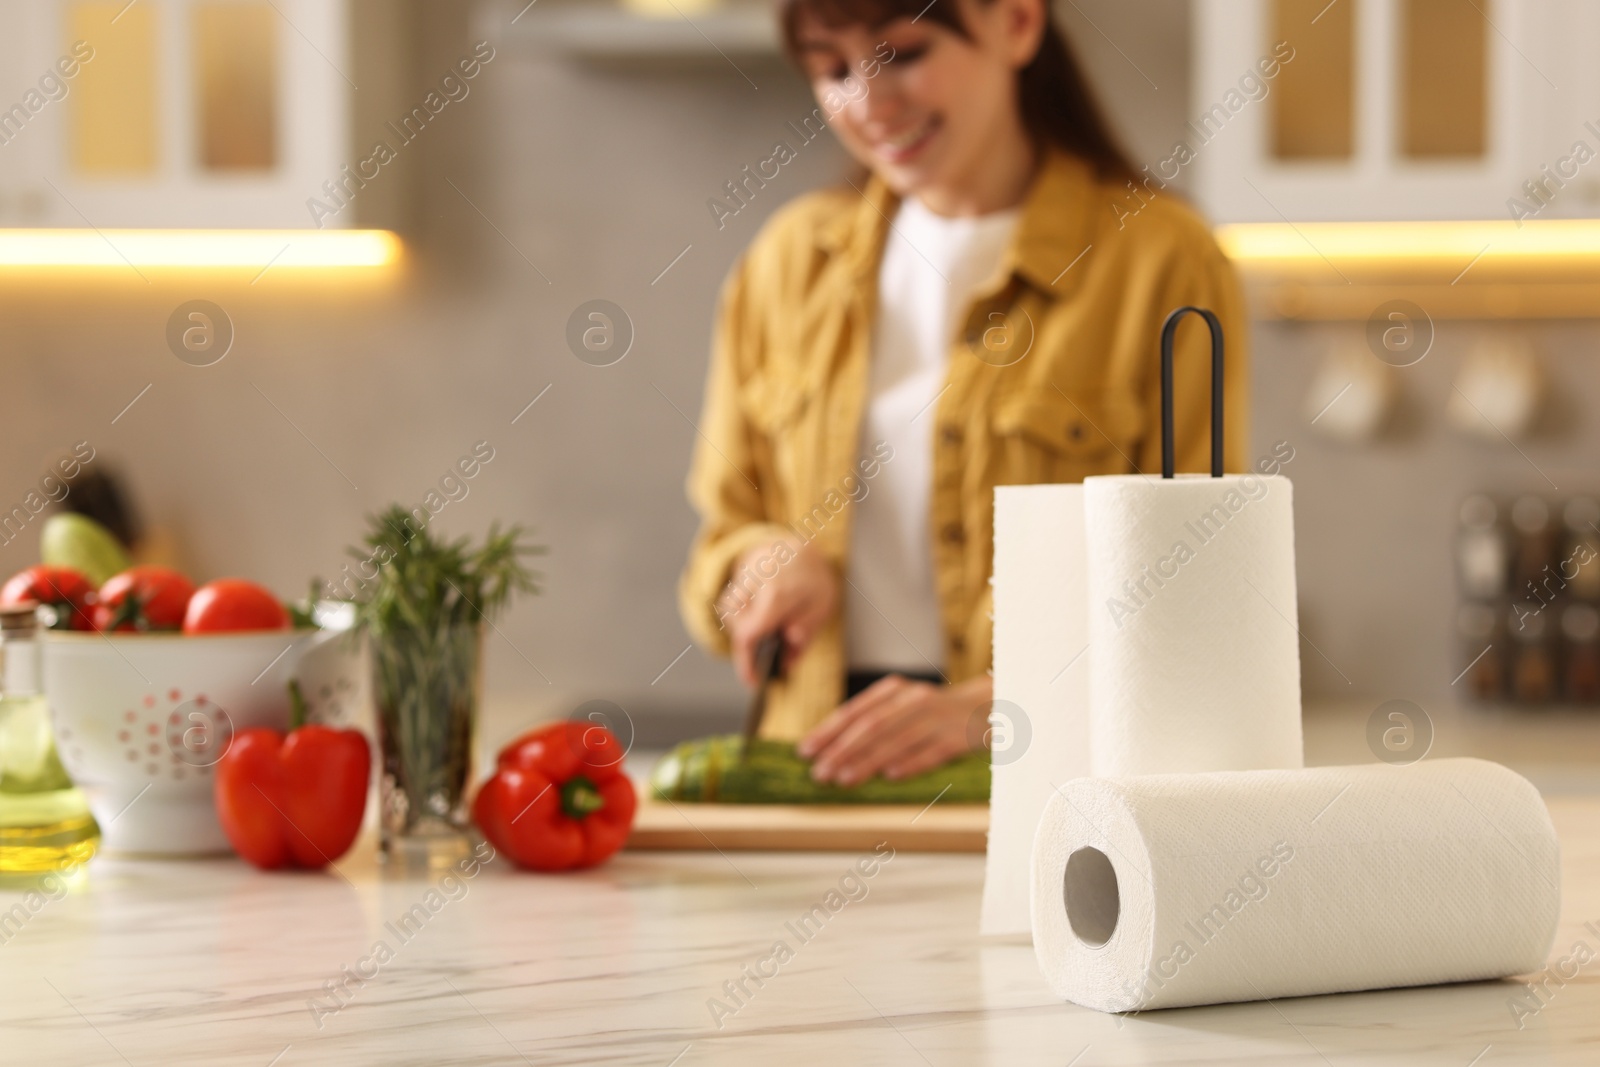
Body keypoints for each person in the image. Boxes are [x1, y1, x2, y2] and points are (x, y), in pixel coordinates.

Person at [678, 0, 1247, 787]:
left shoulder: (1162, 260)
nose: (869, 105)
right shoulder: (786, 260)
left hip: (1042, 788)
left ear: (1016, 22)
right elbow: (722, 539)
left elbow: (1194, 583)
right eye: (833, 69)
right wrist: (759, 563)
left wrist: (994, 708)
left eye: (903, 53)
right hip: (812, 780)